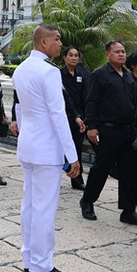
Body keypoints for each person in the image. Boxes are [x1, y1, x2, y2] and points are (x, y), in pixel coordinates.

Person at [14, 24, 80, 272]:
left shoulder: (21, 69)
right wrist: (72, 155)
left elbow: (21, 109)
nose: (60, 43)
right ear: (44, 42)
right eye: (57, 39)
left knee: (30, 206)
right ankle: (41, 265)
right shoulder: (49, 72)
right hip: (46, 149)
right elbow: (58, 115)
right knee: (43, 209)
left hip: (29, 145)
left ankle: (30, 260)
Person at [81, 40, 137, 227]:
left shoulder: (129, 76)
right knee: (101, 168)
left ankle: (128, 210)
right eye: (117, 52)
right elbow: (91, 102)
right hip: (108, 130)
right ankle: (88, 201)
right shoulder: (100, 75)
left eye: (123, 51)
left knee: (129, 171)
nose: (121, 54)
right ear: (107, 54)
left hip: (129, 130)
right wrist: (91, 126)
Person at [60, 47, 89, 190]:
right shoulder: (58, 74)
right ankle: (65, 168)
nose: (73, 58)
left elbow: (86, 95)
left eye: (76, 55)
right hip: (63, 116)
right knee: (61, 149)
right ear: (64, 57)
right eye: (70, 55)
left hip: (79, 117)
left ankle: (77, 179)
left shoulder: (82, 74)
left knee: (77, 147)